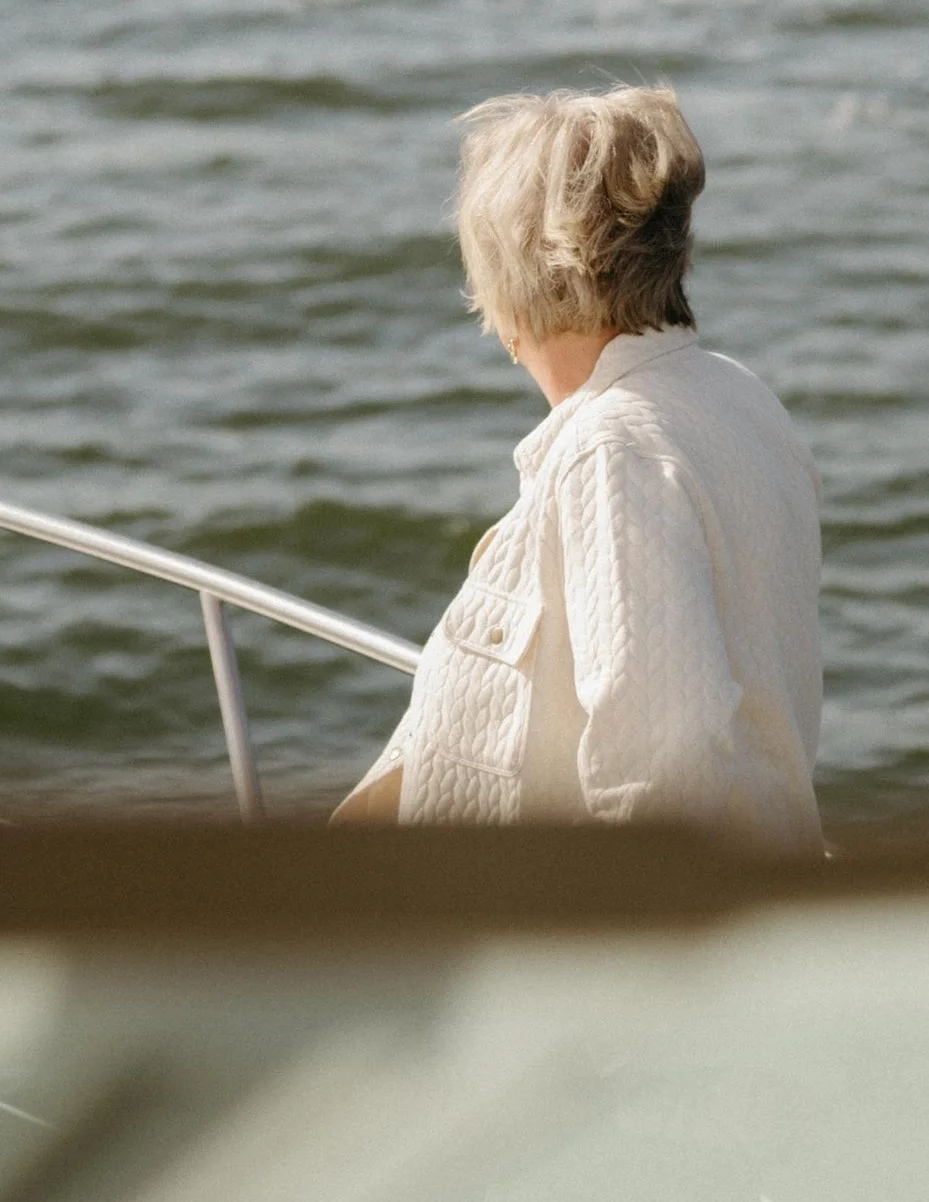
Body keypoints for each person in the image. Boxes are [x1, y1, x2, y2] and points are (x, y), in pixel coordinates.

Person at [335, 85, 823, 849]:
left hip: (571, 936)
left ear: (516, 291)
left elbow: (667, 766)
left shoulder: (610, 451)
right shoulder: (738, 396)